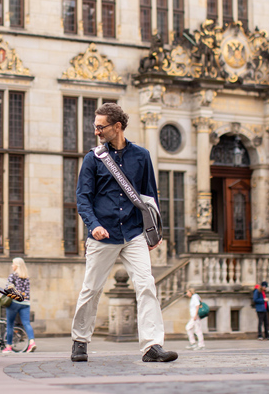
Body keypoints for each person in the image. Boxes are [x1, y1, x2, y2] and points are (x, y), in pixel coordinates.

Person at [71, 103, 177, 363]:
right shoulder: (92, 158)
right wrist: (93, 224)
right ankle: (80, 340)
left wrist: (153, 232)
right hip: (102, 233)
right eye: (95, 126)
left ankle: (152, 346)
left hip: (133, 233)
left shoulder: (141, 156)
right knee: (91, 289)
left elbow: (149, 197)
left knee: (146, 286)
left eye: (100, 127)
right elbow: (83, 198)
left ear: (117, 127)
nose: (96, 131)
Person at [3, 258, 36, 353]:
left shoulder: (12, 276)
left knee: (10, 324)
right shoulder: (26, 277)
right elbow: (27, 292)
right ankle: (32, 342)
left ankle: (9, 346)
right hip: (25, 303)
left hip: (14, 302)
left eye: (13, 264)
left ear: (17, 265)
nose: (12, 266)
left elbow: (8, 289)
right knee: (26, 323)